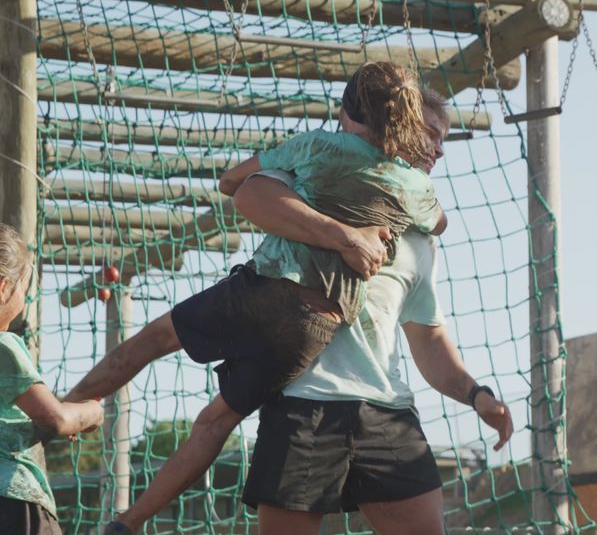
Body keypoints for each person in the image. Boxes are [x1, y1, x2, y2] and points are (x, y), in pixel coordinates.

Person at [82, 61, 451, 535]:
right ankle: (124, 519)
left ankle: (73, 429)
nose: (436, 148)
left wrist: (296, 174)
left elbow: (234, 183)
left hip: (268, 297)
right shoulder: (415, 192)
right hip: (311, 333)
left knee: (164, 354)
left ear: (345, 112)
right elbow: (439, 220)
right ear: (402, 124)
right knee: (214, 419)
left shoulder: (313, 149)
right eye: (431, 134)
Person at [230, 96, 513, 535]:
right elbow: (247, 192)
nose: (439, 149)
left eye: (444, 139)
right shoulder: (315, 182)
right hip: (304, 405)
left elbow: (429, 340)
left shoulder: (420, 238)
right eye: (431, 133)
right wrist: (343, 236)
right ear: (393, 127)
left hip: (387, 411)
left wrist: (476, 394)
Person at [0, 223, 103, 535]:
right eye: (24, 287)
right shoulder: (4, 346)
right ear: (3, 286)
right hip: (14, 502)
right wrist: (90, 413)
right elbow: (56, 418)